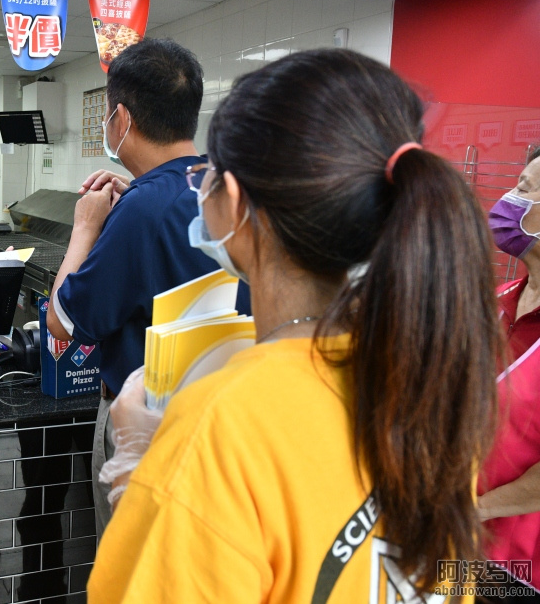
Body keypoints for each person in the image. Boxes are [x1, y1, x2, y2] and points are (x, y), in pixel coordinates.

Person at [89, 49, 500, 602]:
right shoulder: (436, 383)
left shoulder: (223, 422)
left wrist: (137, 478)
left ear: (233, 205)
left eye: (205, 176)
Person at [46, 37, 250, 537]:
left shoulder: (140, 209)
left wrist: (86, 226)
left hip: (148, 429)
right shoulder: (233, 186)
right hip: (227, 420)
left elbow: (63, 322)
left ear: (120, 118)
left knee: (133, 561)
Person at [479, 151, 540, 591]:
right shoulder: (494, 300)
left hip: (516, 568)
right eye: (517, 183)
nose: (511, 198)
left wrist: (473, 508)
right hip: (455, 538)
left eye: (528, 189)